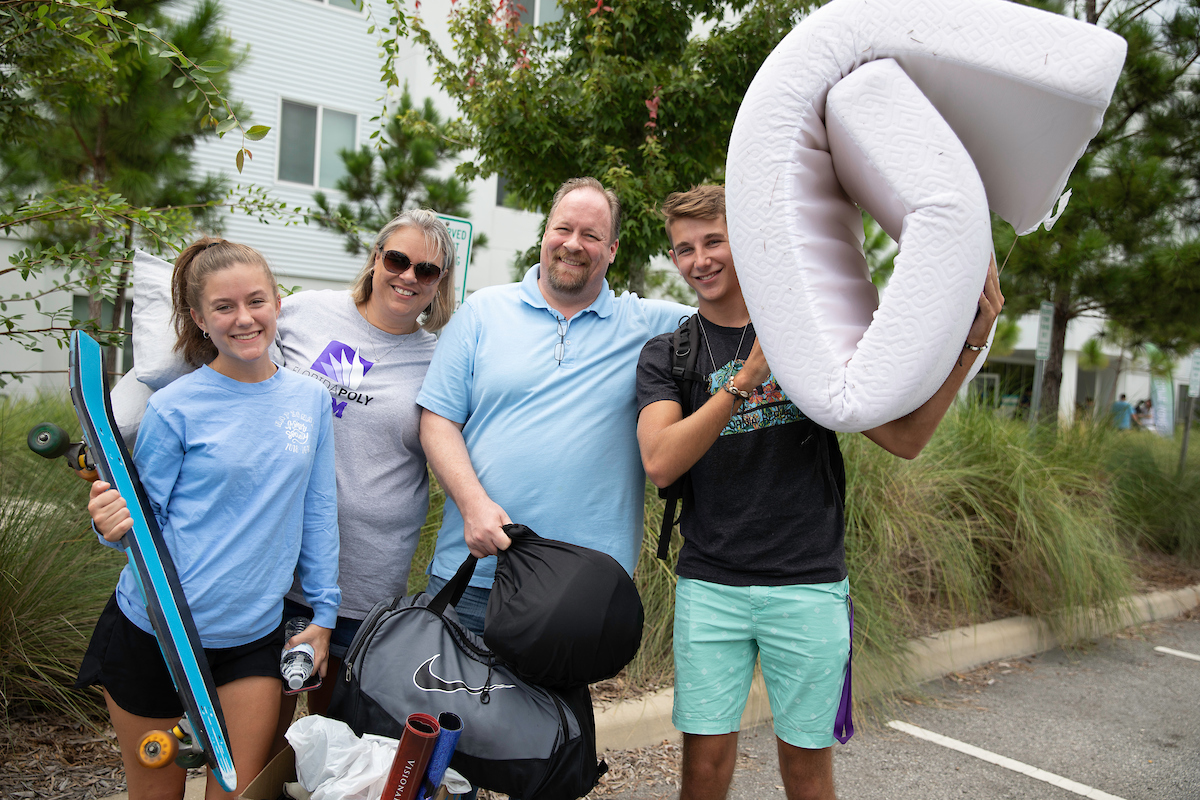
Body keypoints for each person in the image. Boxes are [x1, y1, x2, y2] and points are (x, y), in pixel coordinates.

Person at [634, 185, 1004, 800]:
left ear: (745, 241)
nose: (700, 260)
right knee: (702, 770)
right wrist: (746, 381)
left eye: (714, 241)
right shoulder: (669, 353)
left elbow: (906, 438)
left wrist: (972, 339)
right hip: (711, 586)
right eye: (684, 249)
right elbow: (661, 462)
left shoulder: (809, 339)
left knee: (807, 772)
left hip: (807, 586)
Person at [82, 238, 340, 800]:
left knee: (237, 793)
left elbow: (317, 513)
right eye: (224, 307)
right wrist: (108, 525)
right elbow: (140, 523)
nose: (243, 318)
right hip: (157, 629)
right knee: (156, 794)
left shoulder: (310, 401)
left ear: (278, 302)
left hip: (250, 635)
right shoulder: (176, 407)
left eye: (256, 301)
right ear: (199, 318)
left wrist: (323, 613)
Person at [416, 177, 693, 635]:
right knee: (448, 707)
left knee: (557, 711)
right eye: (563, 229)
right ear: (545, 234)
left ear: (613, 249)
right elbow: (438, 420)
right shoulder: (481, 313)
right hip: (475, 571)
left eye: (591, 235)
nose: (573, 245)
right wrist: (473, 505)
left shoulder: (650, 326)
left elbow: (732, 320)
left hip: (580, 588)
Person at [273, 209, 455, 718]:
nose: (408, 276)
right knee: (263, 736)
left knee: (335, 741)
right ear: (376, 258)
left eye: (427, 270)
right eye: (397, 258)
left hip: (366, 576)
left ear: (440, 284)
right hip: (277, 562)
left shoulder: (440, 358)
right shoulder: (305, 311)